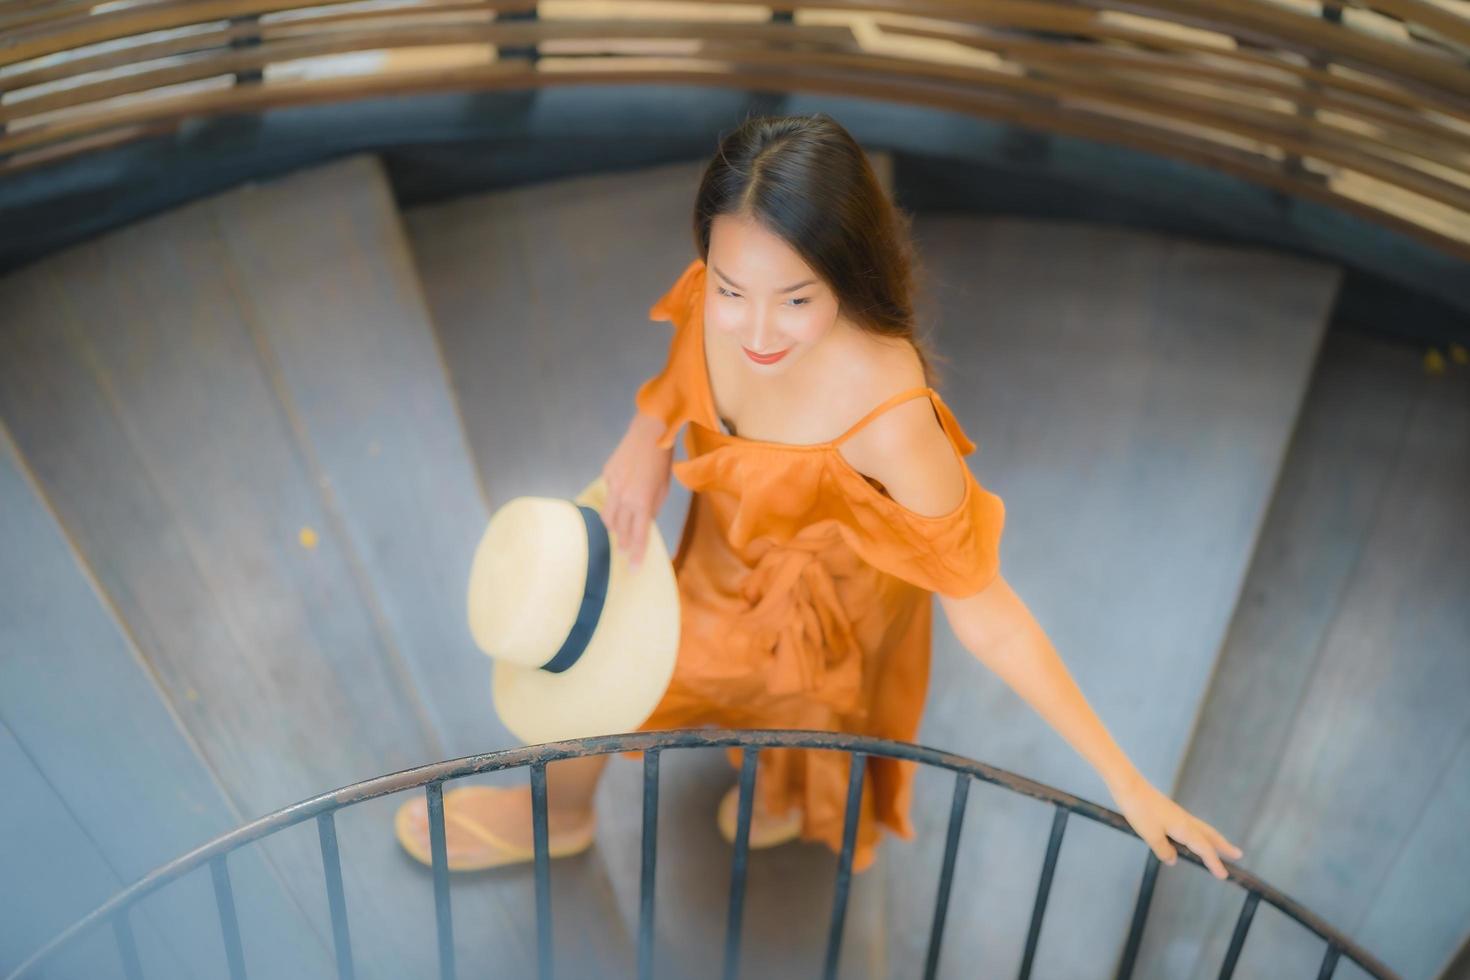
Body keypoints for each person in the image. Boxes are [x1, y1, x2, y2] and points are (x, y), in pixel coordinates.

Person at [401, 112, 1243, 879]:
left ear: (848, 274)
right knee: (604, 666)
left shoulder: (889, 415)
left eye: (796, 300)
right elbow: (681, 370)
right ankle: (573, 815)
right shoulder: (723, 287)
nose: (757, 332)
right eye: (732, 290)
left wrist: (1127, 782)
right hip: (723, 557)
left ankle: (753, 797)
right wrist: (645, 437)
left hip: (832, 606)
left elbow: (983, 606)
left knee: (764, 710)